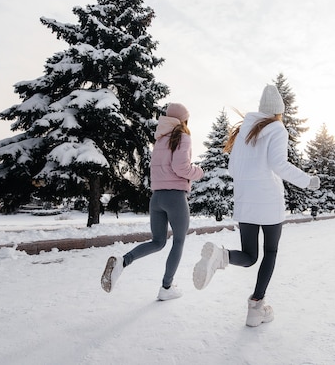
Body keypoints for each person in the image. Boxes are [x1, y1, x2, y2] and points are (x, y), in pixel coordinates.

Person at [192, 84, 320, 326]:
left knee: (250, 255)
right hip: (269, 201)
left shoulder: (244, 131)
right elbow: (279, 165)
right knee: (270, 252)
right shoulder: (277, 129)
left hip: (245, 201)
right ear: (278, 112)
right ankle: (255, 307)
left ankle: (221, 257)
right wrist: (308, 181)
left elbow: (232, 168)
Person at [101, 103, 204, 300]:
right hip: (175, 197)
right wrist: (198, 171)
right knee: (179, 241)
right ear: (183, 120)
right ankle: (166, 288)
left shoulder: (160, 139)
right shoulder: (183, 136)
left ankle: (122, 262)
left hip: (157, 198)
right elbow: (181, 167)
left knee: (158, 242)